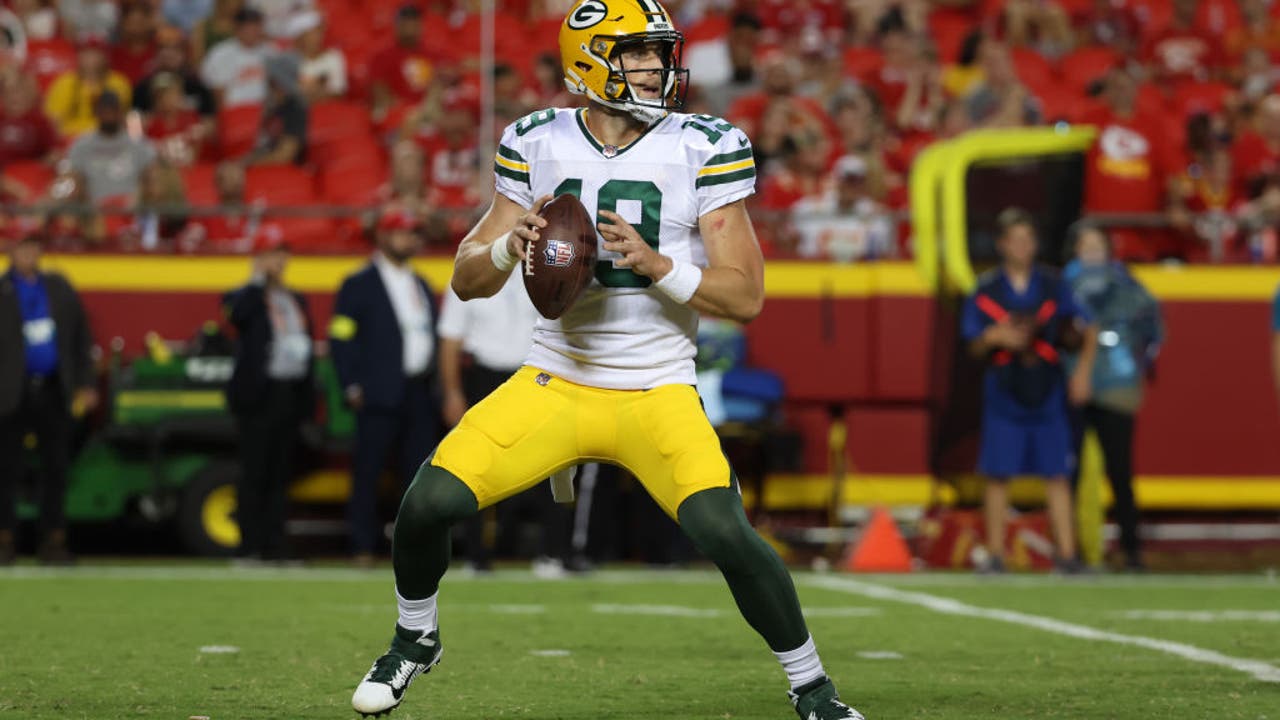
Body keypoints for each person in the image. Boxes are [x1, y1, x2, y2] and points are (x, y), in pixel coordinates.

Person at [349, 3, 864, 719]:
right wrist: (509, 245)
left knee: (727, 535)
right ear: (590, 64)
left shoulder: (704, 145)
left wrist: (658, 266)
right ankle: (414, 638)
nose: (658, 67)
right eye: (640, 54)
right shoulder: (536, 139)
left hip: (656, 386)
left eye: (659, 53)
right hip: (555, 377)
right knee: (426, 506)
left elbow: (745, 296)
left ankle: (813, 688)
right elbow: (467, 279)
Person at [962, 207, 1098, 574]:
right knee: (997, 472)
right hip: (1005, 389)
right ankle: (994, 553)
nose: (1022, 247)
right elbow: (973, 344)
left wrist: (1081, 371)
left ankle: (1067, 554)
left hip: (1047, 386)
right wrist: (995, 336)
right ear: (1002, 244)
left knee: (1057, 472)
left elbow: (1084, 330)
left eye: (1028, 239)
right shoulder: (987, 289)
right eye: (1015, 240)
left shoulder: (1054, 285)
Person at [436, 265, 565, 574]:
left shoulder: (543, 269)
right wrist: (452, 392)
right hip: (484, 375)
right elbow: (450, 340)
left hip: (535, 374)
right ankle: (476, 555)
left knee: (550, 462)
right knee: (477, 466)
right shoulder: (471, 274)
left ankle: (554, 552)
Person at [329, 209, 439, 568]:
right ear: (383, 236)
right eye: (403, 232)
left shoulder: (420, 283)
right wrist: (350, 384)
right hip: (377, 392)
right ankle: (361, 546)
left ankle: (412, 548)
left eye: (414, 233)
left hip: (418, 392)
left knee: (417, 477)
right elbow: (341, 338)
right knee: (368, 472)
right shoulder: (359, 283)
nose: (411, 239)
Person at [1064, 225, 1163, 571]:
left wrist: (1138, 362)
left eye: (1097, 246)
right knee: (1068, 473)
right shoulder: (1063, 287)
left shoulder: (1127, 288)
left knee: (1120, 472)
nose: (1091, 253)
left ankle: (1131, 549)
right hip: (1072, 384)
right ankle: (1070, 548)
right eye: (1084, 245)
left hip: (1117, 384)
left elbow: (1151, 327)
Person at [0, 232, 97, 566]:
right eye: (21, 249)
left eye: (33, 249)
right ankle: (5, 541)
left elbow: (82, 336)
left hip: (54, 390)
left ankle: (53, 541)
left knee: (55, 468)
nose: (28, 254)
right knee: (6, 470)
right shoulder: (2, 290)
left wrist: (85, 382)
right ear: (10, 252)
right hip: (10, 393)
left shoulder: (58, 287)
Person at [222, 226, 314, 563]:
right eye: (272, 253)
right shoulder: (245, 295)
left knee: (280, 474)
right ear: (259, 258)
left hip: (288, 393)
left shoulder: (295, 298)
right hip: (259, 396)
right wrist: (257, 279)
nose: (280, 260)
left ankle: (275, 545)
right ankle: (248, 546)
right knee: (254, 472)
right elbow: (236, 316)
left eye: (282, 253)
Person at [66, 90, 156, 205]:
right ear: (97, 112)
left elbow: (151, 180)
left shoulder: (139, 144)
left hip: (132, 211)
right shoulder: (82, 145)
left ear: (121, 112)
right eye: (104, 110)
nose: (109, 115)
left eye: (113, 110)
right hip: (95, 212)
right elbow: (75, 181)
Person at [244, 52, 307, 166]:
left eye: (270, 79)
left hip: (283, 175)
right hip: (265, 166)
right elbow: (262, 145)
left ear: (276, 83)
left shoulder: (295, 109)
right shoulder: (274, 106)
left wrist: (247, 166)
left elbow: (284, 156)